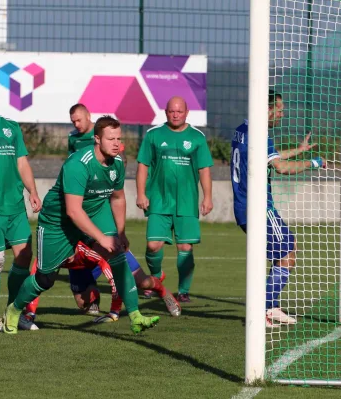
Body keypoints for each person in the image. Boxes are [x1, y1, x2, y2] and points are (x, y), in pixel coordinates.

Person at [24, 104, 179, 325]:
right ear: (98, 140)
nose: (75, 124)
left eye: (79, 119)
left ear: (89, 117)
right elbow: (73, 201)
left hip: (96, 229)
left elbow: (117, 197)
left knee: (136, 279)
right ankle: (26, 311)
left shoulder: (112, 157)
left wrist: (119, 233)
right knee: (82, 302)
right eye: (72, 121)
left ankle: (160, 289)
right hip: (75, 226)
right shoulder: (76, 154)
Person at [230, 89, 325, 328]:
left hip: (244, 206)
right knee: (287, 252)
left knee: (288, 247)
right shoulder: (260, 133)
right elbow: (281, 168)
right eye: (279, 109)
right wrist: (314, 162)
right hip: (260, 207)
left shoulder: (242, 130)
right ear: (267, 109)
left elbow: (268, 158)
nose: (282, 114)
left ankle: (269, 306)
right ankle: (264, 308)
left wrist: (299, 151)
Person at [0, 80, 42, 332]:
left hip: (15, 206)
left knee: (24, 257)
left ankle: (14, 313)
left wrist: (32, 192)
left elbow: (22, 163)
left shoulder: (12, 128)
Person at [136, 96, 213, 303]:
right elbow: (143, 165)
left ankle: (184, 290)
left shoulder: (197, 137)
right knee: (153, 245)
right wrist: (141, 193)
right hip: (159, 199)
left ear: (187, 112)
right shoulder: (153, 134)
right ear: (166, 112)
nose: (176, 114)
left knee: (185, 248)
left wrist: (207, 197)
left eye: (179, 111)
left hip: (187, 201)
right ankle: (156, 277)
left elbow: (204, 168)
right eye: (172, 111)